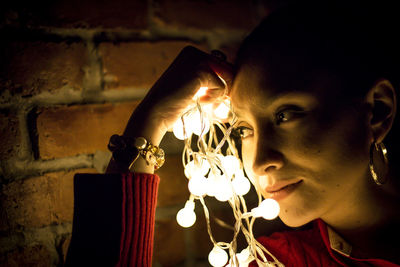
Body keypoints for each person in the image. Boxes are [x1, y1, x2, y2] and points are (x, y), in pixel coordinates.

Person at [65, 1, 400, 266]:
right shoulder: (276, 263)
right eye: (243, 129)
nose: (258, 162)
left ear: (377, 112)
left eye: (285, 115)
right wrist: (150, 120)